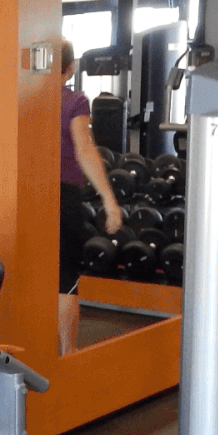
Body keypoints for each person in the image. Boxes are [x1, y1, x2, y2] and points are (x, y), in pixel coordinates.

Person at [58, 42, 123, 353]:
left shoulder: (20, 98)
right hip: (62, 197)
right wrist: (110, 201)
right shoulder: (75, 101)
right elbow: (84, 149)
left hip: (23, 195)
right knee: (65, 279)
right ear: (70, 69)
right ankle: (67, 352)